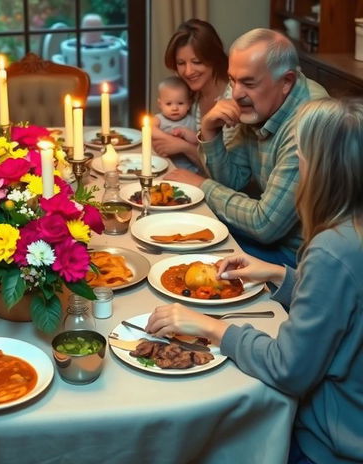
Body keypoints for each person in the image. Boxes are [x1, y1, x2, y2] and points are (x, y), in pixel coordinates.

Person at [148, 96, 363, 464]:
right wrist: (281, 275)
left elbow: (288, 369)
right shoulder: (350, 236)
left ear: (323, 171)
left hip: (329, 444)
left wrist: (212, 327)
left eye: (302, 159)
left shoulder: (333, 249)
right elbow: (346, 304)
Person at [167, 28, 328, 266]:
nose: (236, 93)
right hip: (270, 243)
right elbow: (233, 181)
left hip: (299, 262)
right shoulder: (263, 102)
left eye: (248, 83)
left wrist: (201, 185)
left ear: (286, 82)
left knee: (183, 254)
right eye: (232, 80)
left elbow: (265, 225)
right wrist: (211, 133)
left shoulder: (310, 123)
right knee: (177, 231)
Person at [154, 18, 232, 168]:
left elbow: (228, 172)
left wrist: (183, 147)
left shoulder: (233, 97)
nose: (188, 72)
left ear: (214, 57)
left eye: (197, 62)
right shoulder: (191, 96)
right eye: (181, 63)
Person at [152, 76, 199, 172]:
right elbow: (149, 129)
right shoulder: (159, 119)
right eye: (169, 104)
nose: (174, 108)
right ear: (160, 104)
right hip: (162, 166)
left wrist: (184, 133)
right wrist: (169, 138)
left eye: (180, 103)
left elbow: (198, 140)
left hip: (188, 169)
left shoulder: (192, 121)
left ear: (189, 104)